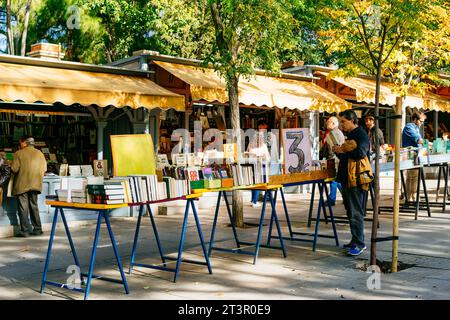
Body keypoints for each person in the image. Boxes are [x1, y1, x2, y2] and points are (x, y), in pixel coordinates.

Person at [332, 110, 370, 256]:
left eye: (343, 121)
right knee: (350, 211)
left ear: (352, 120)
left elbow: (361, 152)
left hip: (355, 179)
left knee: (355, 212)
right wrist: (338, 151)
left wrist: (343, 152)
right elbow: (345, 156)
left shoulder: (360, 134)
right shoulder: (351, 135)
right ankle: (355, 240)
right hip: (346, 178)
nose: (341, 125)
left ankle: (359, 243)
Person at [11, 137, 47, 237]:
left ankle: (25, 231)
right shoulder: (40, 153)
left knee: (23, 208)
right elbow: (44, 169)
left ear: (24, 143)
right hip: (35, 185)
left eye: (20, 142)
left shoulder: (19, 153)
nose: (19, 144)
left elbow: (14, 169)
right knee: (34, 206)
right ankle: (38, 229)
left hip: (22, 185)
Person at [402, 111, 427, 202]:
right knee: (413, 177)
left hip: (415, 154)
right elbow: (418, 140)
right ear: (415, 119)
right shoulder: (409, 127)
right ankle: (412, 197)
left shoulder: (416, 128)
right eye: (421, 121)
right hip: (411, 155)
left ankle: (411, 197)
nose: (422, 123)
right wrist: (429, 143)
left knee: (413, 177)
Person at [321, 116, 345, 206]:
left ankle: (332, 199)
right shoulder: (337, 132)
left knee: (333, 179)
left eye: (329, 122)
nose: (327, 123)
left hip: (335, 159)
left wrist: (330, 159)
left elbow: (334, 148)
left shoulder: (333, 133)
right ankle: (345, 195)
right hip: (337, 159)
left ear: (334, 124)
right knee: (336, 180)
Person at [248, 119, 272, 208]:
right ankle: (254, 201)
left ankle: (253, 200)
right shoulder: (259, 136)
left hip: (254, 160)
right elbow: (262, 148)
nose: (265, 128)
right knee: (259, 181)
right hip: (259, 160)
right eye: (264, 126)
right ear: (260, 126)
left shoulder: (255, 136)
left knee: (255, 181)